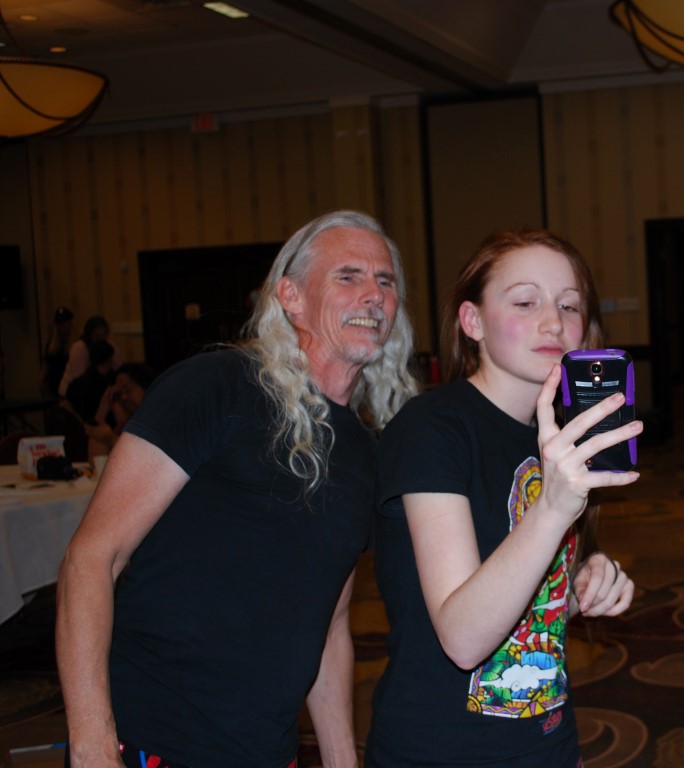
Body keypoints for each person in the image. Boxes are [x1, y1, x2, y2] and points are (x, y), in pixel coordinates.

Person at [56, 210, 419, 768]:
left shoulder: (365, 454)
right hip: (148, 739)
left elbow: (329, 626)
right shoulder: (216, 386)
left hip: (266, 751)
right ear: (290, 296)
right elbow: (90, 559)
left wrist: (343, 761)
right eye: (348, 276)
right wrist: (92, 745)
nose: (374, 294)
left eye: (385, 281)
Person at [365, 229, 641, 767]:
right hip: (443, 752)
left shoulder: (555, 435)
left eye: (569, 305)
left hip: (546, 739)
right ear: (473, 322)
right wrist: (554, 509)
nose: (553, 321)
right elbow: (463, 638)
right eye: (525, 302)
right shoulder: (432, 429)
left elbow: (525, 601)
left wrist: (583, 583)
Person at [85, 362, 157, 458]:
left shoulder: (158, 418)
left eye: (128, 389)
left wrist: (111, 439)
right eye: (119, 394)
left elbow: (141, 458)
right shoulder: (125, 425)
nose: (123, 397)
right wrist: (101, 413)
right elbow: (97, 462)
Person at [58, 315, 121, 398]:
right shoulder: (80, 348)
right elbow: (78, 380)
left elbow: (118, 370)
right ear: (89, 335)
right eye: (97, 336)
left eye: (104, 335)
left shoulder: (111, 347)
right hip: (74, 393)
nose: (101, 339)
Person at [63, 340, 117, 425]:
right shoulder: (108, 386)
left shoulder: (75, 383)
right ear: (109, 360)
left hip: (78, 427)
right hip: (101, 427)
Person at [41, 305, 75, 398]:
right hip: (54, 387)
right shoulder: (51, 345)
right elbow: (46, 364)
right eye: (59, 323)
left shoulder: (76, 344)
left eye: (64, 323)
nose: (61, 326)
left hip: (71, 388)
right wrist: (42, 380)